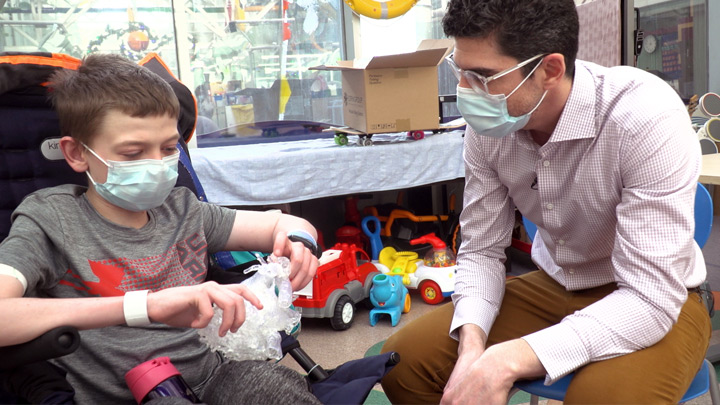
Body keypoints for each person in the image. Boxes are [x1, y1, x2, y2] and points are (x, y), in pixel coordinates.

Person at [380, 0, 710, 403]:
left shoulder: (643, 117)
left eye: (482, 76)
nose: (465, 91)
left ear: (550, 69)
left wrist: (507, 360)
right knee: (402, 364)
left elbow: (649, 297)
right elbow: (482, 250)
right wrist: (472, 348)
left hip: (656, 298)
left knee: (601, 398)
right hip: (556, 283)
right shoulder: (489, 127)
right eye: (460, 70)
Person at [0, 54, 321, 404]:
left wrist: (301, 240)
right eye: (133, 153)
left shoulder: (183, 211)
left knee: (277, 388)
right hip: (121, 396)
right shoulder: (51, 218)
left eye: (169, 149)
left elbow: (280, 222)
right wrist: (146, 306)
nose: (157, 165)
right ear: (77, 153)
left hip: (212, 379)